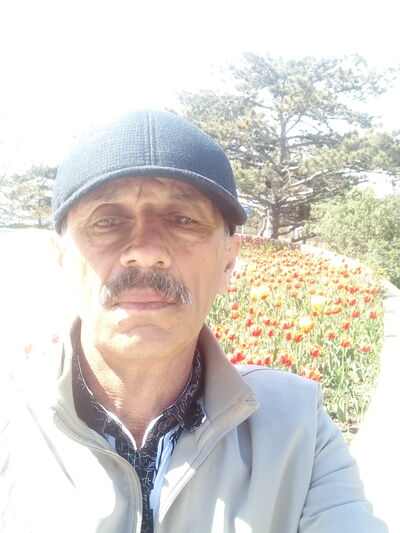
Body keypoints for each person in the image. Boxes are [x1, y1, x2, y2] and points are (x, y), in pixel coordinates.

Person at [0, 110, 387, 533]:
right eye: (107, 221)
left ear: (228, 262)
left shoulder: (298, 431)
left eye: (183, 220)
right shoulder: (10, 415)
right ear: (61, 259)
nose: (146, 251)